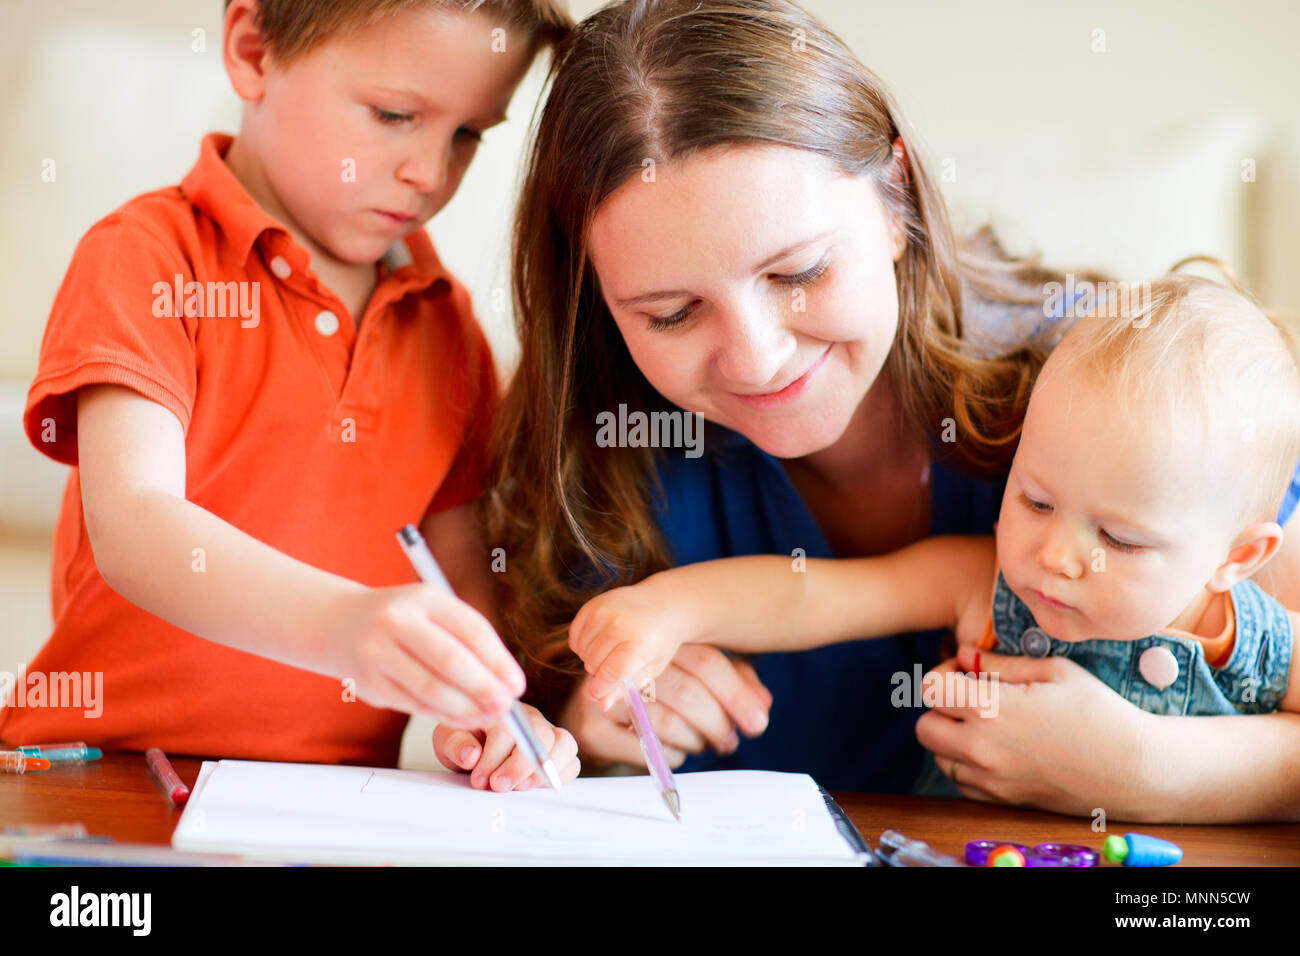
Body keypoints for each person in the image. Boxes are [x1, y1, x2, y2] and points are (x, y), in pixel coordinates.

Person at [476, 0, 1300, 820]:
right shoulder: (601, 458)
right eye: (671, 313)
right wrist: (585, 729)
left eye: (798, 272)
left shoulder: (1119, 403)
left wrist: (1148, 768)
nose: (758, 358)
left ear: (895, 196)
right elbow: (533, 742)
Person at [2, 0, 578, 793]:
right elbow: (134, 523)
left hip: (324, 807)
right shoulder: (144, 257)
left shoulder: (450, 331)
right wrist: (341, 628)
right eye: (394, 114)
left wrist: (491, 708)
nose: (431, 172)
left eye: (468, 134)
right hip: (102, 772)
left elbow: (465, 598)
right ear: (252, 51)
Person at [568, 273, 1300, 784]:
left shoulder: (1260, 646)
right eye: (1037, 502)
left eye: (1121, 540)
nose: (1055, 555)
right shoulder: (982, 585)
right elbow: (811, 597)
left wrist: (1154, 770)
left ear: (1238, 558)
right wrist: (664, 608)